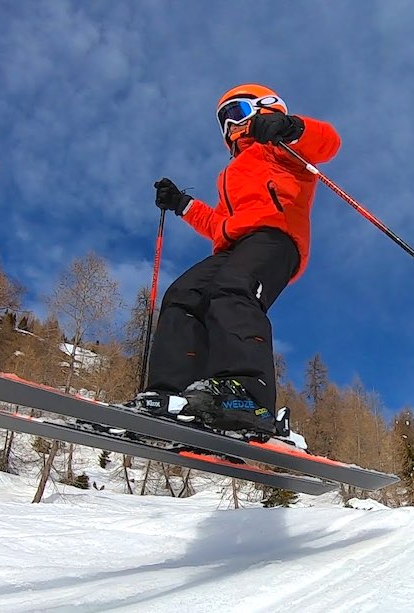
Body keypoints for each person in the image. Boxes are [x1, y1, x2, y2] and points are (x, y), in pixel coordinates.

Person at [130, 83, 341, 437]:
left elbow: (327, 142)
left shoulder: (279, 147)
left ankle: (247, 394)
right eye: (222, 121)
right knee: (184, 294)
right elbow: (221, 226)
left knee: (232, 289)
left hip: (276, 238)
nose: (230, 127)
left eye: (236, 114)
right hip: (234, 246)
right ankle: (172, 393)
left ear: (264, 108)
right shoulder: (230, 173)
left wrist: (289, 127)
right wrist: (182, 204)